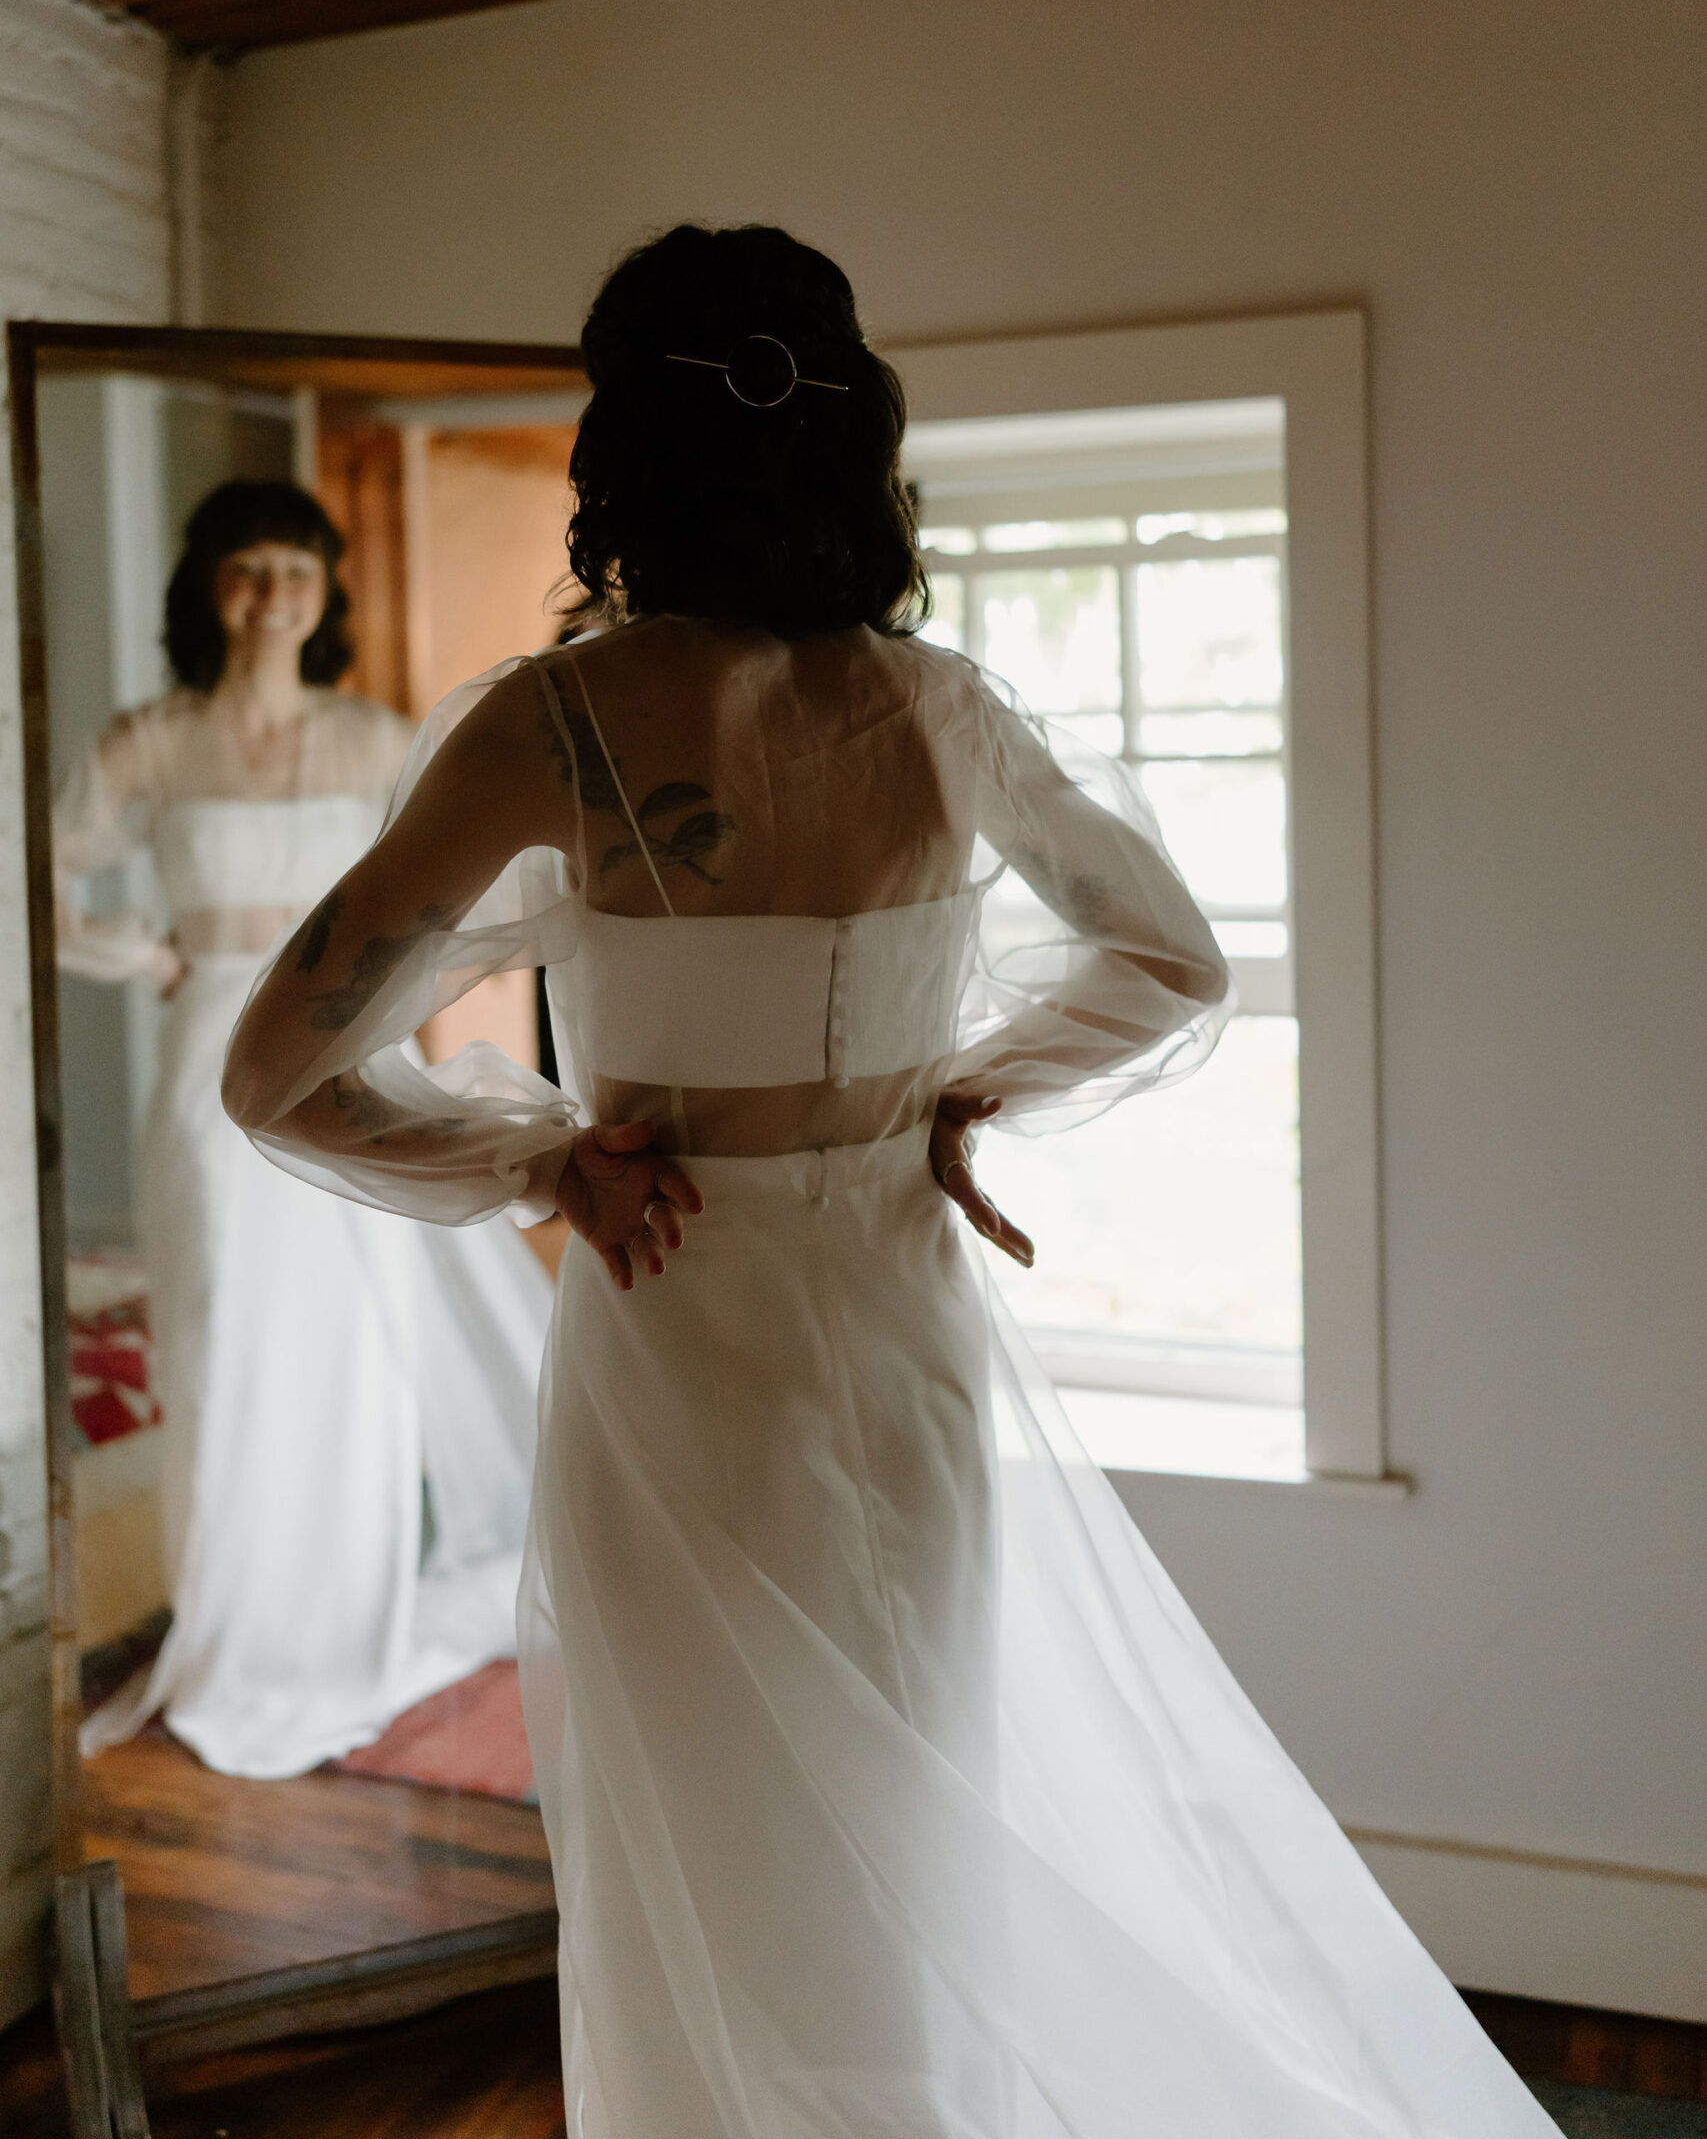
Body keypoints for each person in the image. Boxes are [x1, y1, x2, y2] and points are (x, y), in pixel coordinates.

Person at [226, 230, 1553, 2135]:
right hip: (903, 1336)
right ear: (854, 439)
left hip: (674, 1345)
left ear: (627, 459)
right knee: (905, 1818)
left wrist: (542, 1159)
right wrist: (955, 1088)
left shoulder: (561, 725)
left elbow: (276, 1070)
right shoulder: (945, 713)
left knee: (702, 1850)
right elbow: (1174, 956)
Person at [57, 480, 552, 1780]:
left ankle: (347, 1613)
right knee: (223, 1334)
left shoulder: (380, 737)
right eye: (245, 566)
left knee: (353, 1343)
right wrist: (144, 953)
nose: (272, 591)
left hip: (346, 1056)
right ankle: (237, 1617)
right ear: (207, 585)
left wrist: (404, 1021)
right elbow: (38, 871)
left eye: (295, 566)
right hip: (207, 1061)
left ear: (327, 588)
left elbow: (457, 892)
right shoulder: (147, 743)